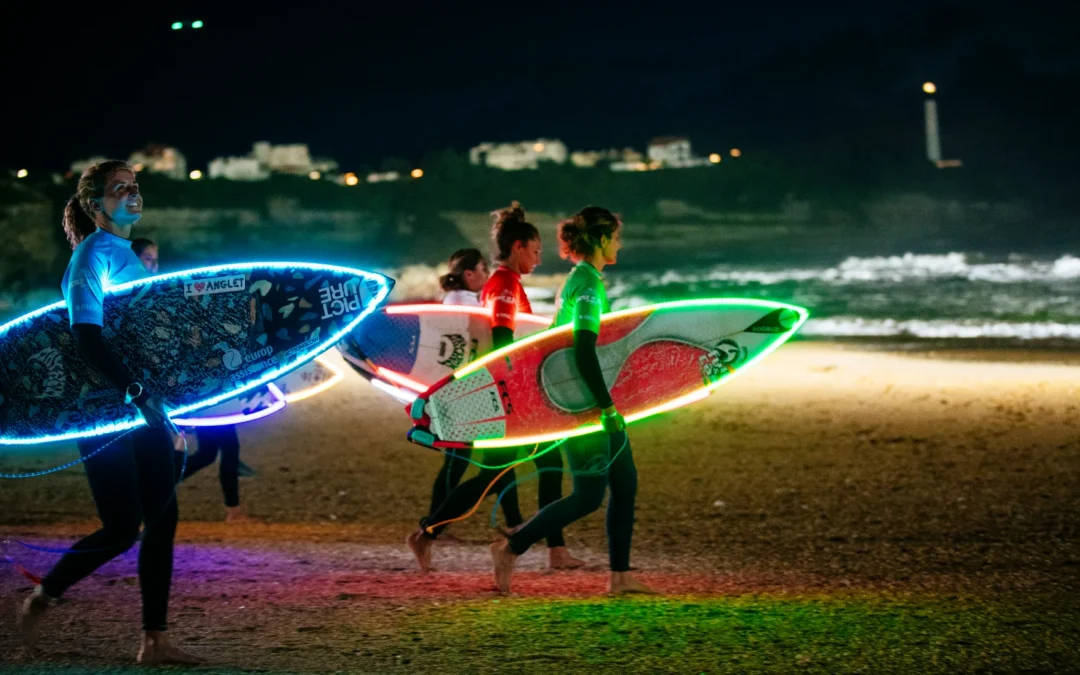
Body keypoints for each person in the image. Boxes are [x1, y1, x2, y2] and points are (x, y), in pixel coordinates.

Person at [17, 160, 202, 664]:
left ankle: (154, 639)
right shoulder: (91, 256)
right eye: (122, 188)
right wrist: (137, 393)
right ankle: (43, 597)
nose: (134, 194)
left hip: (144, 409)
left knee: (162, 519)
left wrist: (166, 407)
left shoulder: (128, 257)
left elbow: (146, 340)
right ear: (96, 205)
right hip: (104, 411)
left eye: (136, 186)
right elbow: (87, 338)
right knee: (122, 527)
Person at [408, 203, 585, 572]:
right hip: (510, 397)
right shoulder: (504, 284)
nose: (538, 260)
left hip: (507, 395)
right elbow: (504, 341)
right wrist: (522, 391)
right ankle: (429, 533)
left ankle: (429, 534)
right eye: (535, 251)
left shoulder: (505, 283)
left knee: (516, 470)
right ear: (518, 246)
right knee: (528, 467)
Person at [490, 206, 654, 596]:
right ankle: (510, 548)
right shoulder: (586, 285)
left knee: (625, 483)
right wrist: (607, 407)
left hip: (590, 400)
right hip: (584, 406)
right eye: (614, 236)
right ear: (599, 240)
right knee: (587, 496)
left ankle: (620, 576)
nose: (619, 243)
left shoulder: (584, 279)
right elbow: (582, 351)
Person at [129, 238, 256, 522]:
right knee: (218, 449)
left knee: (211, 451)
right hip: (190, 389)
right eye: (148, 259)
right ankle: (229, 510)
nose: (154, 265)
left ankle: (154, 493)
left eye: (155, 260)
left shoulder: (166, 294)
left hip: (201, 385)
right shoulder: (142, 297)